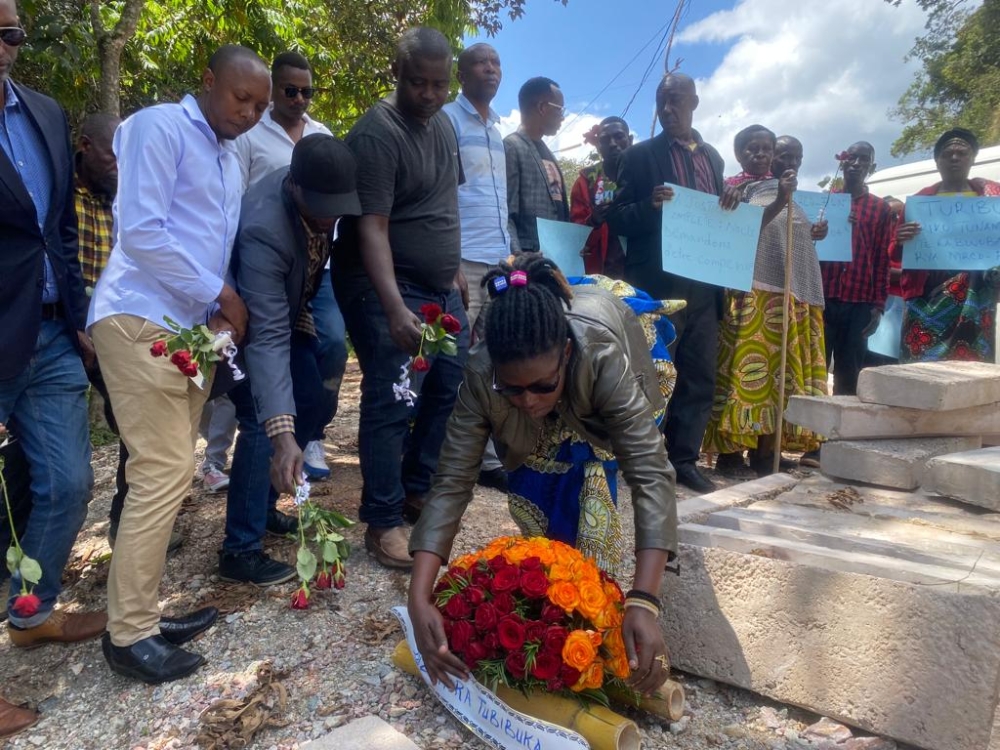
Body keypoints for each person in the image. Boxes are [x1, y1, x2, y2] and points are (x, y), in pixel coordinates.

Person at [407, 254, 677, 696]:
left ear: (566, 355)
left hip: (611, 369)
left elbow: (649, 471)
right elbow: (452, 481)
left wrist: (644, 600)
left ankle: (603, 615)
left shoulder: (600, 357)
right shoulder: (481, 374)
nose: (528, 401)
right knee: (541, 495)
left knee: (593, 489)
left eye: (541, 387)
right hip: (559, 385)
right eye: (511, 389)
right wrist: (418, 596)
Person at [89, 44, 271, 684]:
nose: (248, 113)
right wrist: (220, 294)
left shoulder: (228, 157)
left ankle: (138, 612)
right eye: (239, 97)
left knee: (169, 470)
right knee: (163, 470)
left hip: (187, 330)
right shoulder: (160, 126)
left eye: (259, 106)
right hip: (138, 316)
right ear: (207, 81)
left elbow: (204, 244)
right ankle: (128, 636)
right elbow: (140, 231)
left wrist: (215, 310)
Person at [334, 27, 469, 570]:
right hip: (388, 284)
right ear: (397, 72)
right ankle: (383, 519)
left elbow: (443, 203)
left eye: (440, 84)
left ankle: (416, 488)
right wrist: (393, 307)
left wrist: (455, 267)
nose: (431, 95)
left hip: (439, 286)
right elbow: (372, 226)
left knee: (448, 386)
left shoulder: (441, 128)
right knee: (394, 397)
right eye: (420, 83)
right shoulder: (377, 133)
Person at [0, 0, 106, 654]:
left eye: (9, 31)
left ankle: (31, 612)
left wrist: (79, 316)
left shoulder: (44, 113)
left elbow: (59, 232)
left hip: (49, 335)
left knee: (69, 482)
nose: (2, 44)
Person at [222, 134, 361, 584]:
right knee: (264, 420)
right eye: (321, 206)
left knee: (311, 401)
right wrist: (283, 436)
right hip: (245, 324)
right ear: (294, 187)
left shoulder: (325, 201)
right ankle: (239, 550)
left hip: (289, 311)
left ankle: (261, 512)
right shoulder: (264, 227)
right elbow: (265, 339)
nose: (329, 217)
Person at [607, 72, 726, 494]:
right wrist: (649, 207)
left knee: (698, 375)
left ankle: (685, 461)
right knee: (653, 371)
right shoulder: (640, 156)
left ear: (694, 101)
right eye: (661, 102)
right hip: (658, 285)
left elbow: (718, 218)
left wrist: (731, 205)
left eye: (676, 100)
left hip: (705, 285)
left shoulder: (714, 158)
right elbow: (617, 214)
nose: (668, 109)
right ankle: (640, 458)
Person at [703, 125, 828, 476]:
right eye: (752, 149)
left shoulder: (792, 194)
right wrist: (779, 202)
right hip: (751, 297)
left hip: (791, 300)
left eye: (766, 149)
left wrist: (811, 230)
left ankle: (766, 453)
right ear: (739, 153)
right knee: (745, 375)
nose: (760, 154)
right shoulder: (734, 192)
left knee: (779, 380)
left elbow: (794, 242)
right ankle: (731, 454)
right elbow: (742, 233)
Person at [442, 42, 509, 493]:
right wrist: (448, 259)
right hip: (462, 261)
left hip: (498, 261)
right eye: (481, 63)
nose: (491, 69)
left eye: (496, 63)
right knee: (457, 360)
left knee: (493, 357)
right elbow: (442, 192)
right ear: (461, 75)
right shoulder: (448, 119)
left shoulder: (499, 129)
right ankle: (451, 457)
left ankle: (486, 456)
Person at [895, 128, 1000, 362]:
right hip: (926, 300)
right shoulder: (920, 201)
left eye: (961, 152)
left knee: (969, 369)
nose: (954, 157)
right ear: (937, 161)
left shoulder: (989, 198)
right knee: (920, 368)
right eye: (946, 153)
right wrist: (901, 238)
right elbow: (897, 252)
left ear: (972, 158)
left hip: (974, 300)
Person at [820, 142, 895, 395]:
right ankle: (808, 433)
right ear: (841, 163)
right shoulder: (825, 203)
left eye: (863, 159)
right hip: (823, 298)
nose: (855, 163)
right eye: (851, 158)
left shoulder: (880, 209)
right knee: (815, 367)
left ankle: (841, 432)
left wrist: (878, 306)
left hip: (859, 302)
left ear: (871, 167)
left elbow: (882, 259)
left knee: (849, 372)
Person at [504, 76, 568, 253]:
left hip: (556, 258)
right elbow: (506, 213)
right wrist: (518, 259)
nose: (562, 117)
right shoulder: (511, 147)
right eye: (560, 109)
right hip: (529, 260)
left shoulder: (547, 152)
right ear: (542, 107)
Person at [571, 116, 632, 278]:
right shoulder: (586, 181)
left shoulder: (645, 173)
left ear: (630, 140)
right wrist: (594, 220)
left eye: (619, 137)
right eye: (605, 140)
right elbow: (574, 238)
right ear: (599, 145)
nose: (612, 144)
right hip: (601, 275)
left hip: (640, 271)